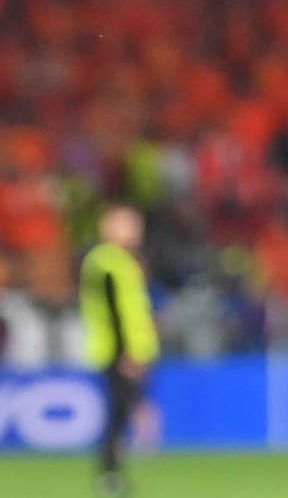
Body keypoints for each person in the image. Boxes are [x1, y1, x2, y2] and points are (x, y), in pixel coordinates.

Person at [79, 204, 160, 497]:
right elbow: (114, 312)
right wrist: (126, 352)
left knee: (121, 411)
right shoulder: (106, 262)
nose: (135, 230)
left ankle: (112, 472)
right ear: (108, 228)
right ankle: (110, 473)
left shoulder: (124, 261)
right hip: (117, 350)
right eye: (127, 224)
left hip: (132, 349)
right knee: (122, 411)